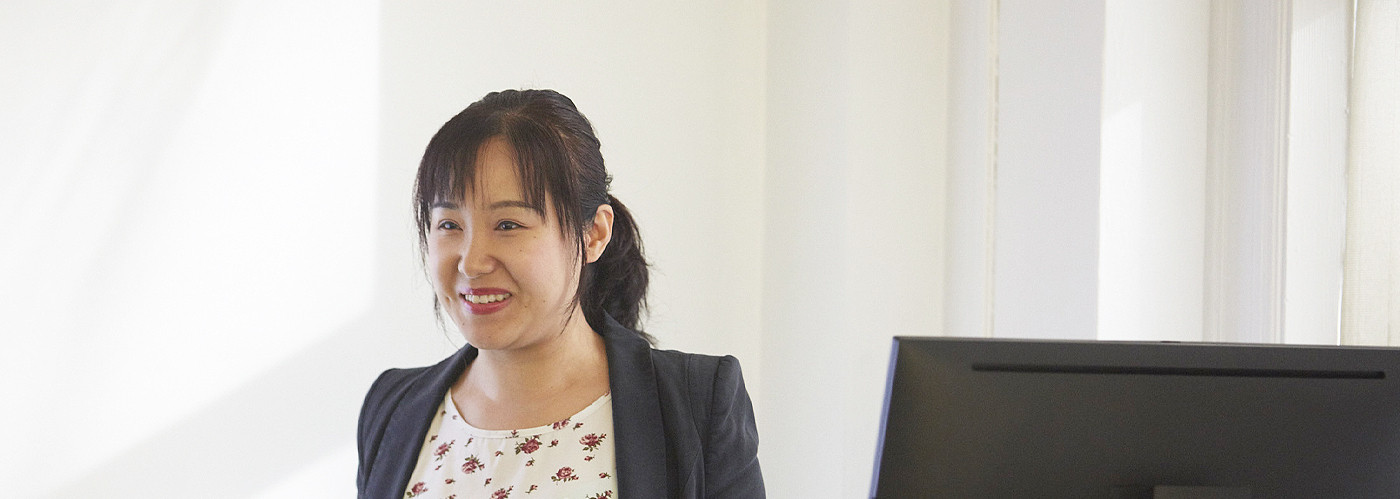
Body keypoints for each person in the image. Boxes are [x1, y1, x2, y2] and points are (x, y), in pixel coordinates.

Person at [356, 89, 764, 499]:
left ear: (594, 234)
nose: (471, 262)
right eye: (448, 225)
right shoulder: (393, 409)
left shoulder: (697, 406)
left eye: (508, 224)